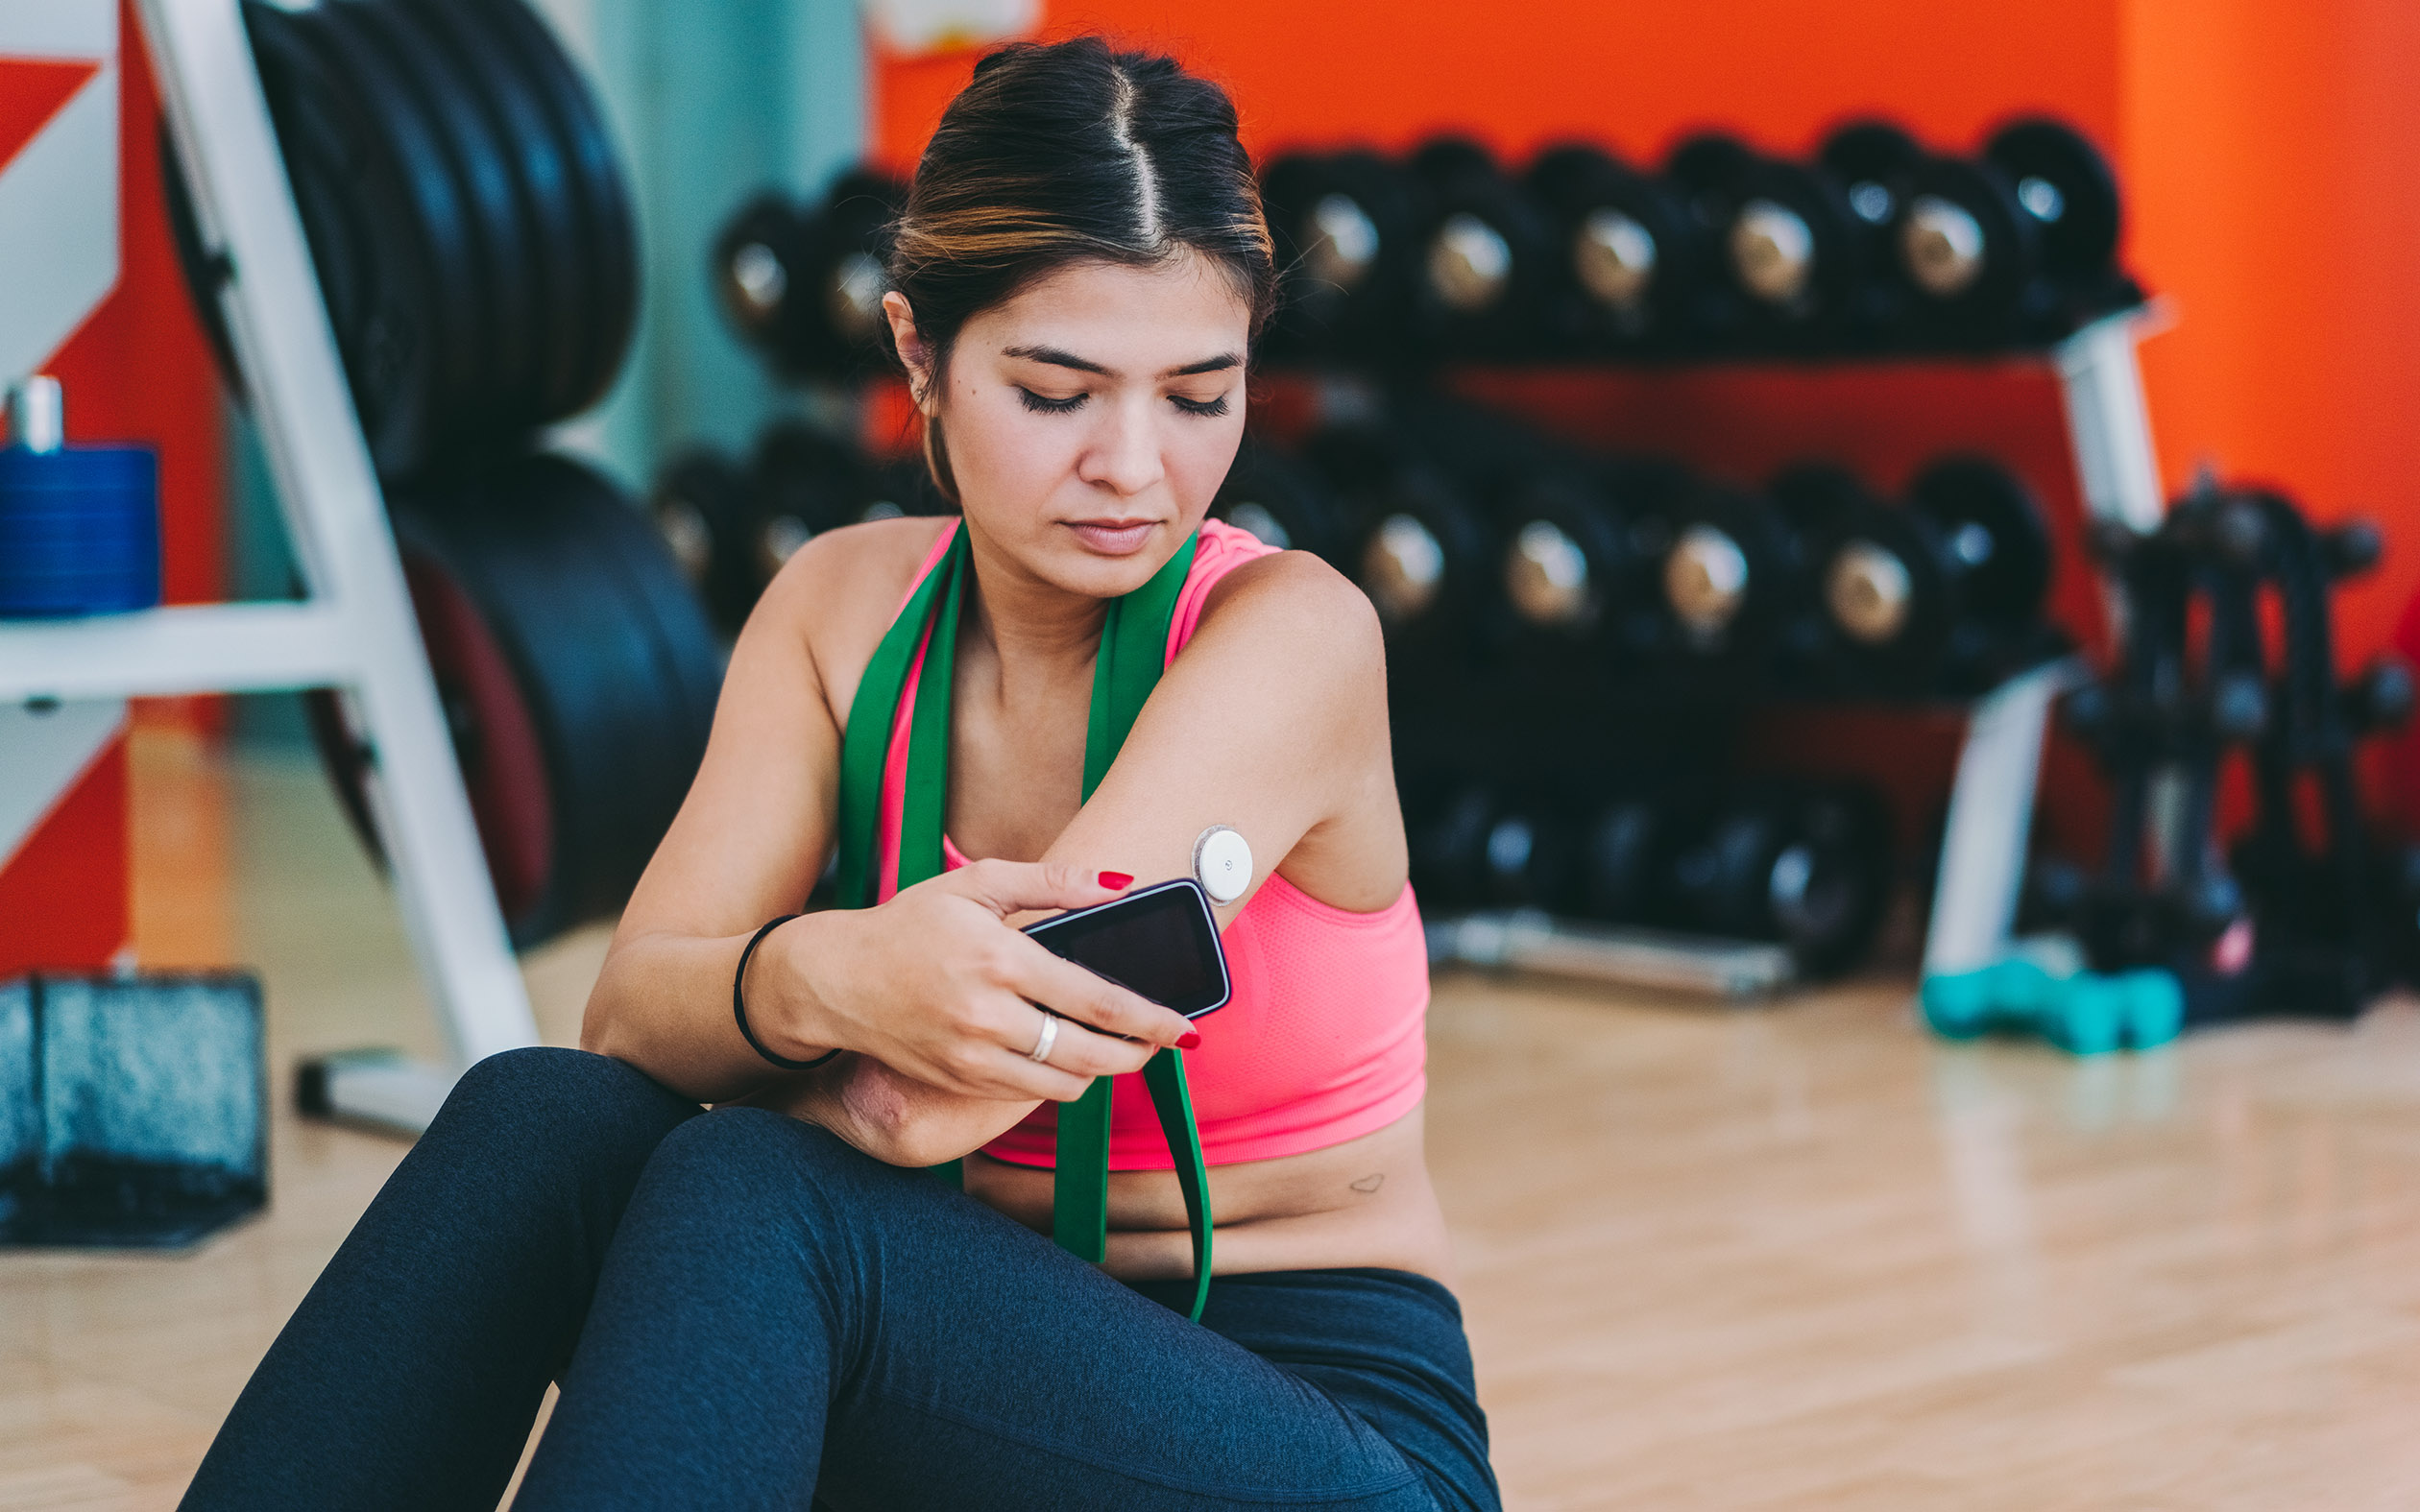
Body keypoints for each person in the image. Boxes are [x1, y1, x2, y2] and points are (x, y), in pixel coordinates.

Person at [182, 36, 1495, 1512]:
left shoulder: (1291, 640)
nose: (1136, 466)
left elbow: (933, 1104)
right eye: (1058, 392)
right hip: (955, 1356)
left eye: (1198, 396)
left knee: (749, 1188)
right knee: (537, 1120)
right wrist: (829, 973)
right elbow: (624, 1023)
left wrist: (747, 1034)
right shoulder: (839, 606)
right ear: (917, 354)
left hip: (1309, 1431)